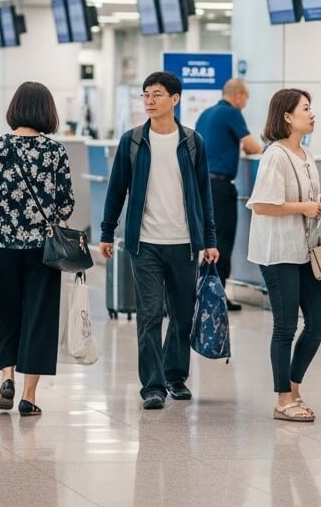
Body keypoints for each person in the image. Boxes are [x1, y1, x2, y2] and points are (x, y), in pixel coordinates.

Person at [99, 71, 219, 411]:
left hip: (184, 243)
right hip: (145, 243)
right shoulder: (133, 141)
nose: (149, 101)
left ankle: (175, 377)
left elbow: (204, 195)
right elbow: (116, 189)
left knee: (182, 315)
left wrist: (209, 239)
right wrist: (107, 232)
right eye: (146, 95)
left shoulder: (193, 142)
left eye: (156, 95)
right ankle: (152, 386)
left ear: (175, 99)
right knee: (150, 315)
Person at [0, 82, 74, 416]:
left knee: (5, 309)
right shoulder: (55, 151)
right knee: (39, 316)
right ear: (47, 111)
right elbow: (66, 205)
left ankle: (6, 377)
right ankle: (29, 397)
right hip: (44, 249)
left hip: (4, 244)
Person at [246, 89, 321, 423]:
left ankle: (293, 387)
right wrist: (305, 207)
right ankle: (283, 399)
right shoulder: (275, 155)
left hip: (304, 250)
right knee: (285, 325)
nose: (312, 114)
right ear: (287, 117)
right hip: (277, 250)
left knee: (319, 321)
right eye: (306, 109)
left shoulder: (305, 155)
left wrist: (315, 204)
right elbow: (262, 204)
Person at [194, 78, 263, 310]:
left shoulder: (206, 114)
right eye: (246, 98)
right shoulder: (232, 113)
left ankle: (203, 292)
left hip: (201, 184)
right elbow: (253, 147)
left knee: (205, 241)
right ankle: (217, 297)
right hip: (220, 187)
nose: (245, 103)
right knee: (221, 241)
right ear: (238, 95)